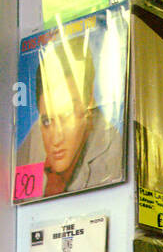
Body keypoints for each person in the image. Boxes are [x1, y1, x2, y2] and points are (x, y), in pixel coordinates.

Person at [20, 39, 123, 197]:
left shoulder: (115, 156)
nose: (56, 139)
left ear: (89, 102)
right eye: (47, 121)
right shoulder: (35, 138)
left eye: (67, 114)